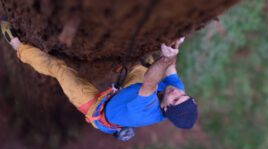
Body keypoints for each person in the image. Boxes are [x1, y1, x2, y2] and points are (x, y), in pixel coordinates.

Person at [0, 18, 198, 141]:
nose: (175, 92)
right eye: (182, 95)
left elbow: (151, 83)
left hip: (97, 108)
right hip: (134, 90)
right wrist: (175, 45)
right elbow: (170, 66)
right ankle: (144, 62)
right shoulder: (176, 91)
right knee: (142, 64)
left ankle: (18, 46)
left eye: (174, 100)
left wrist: (164, 58)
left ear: (164, 109)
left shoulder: (147, 110)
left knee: (60, 70)